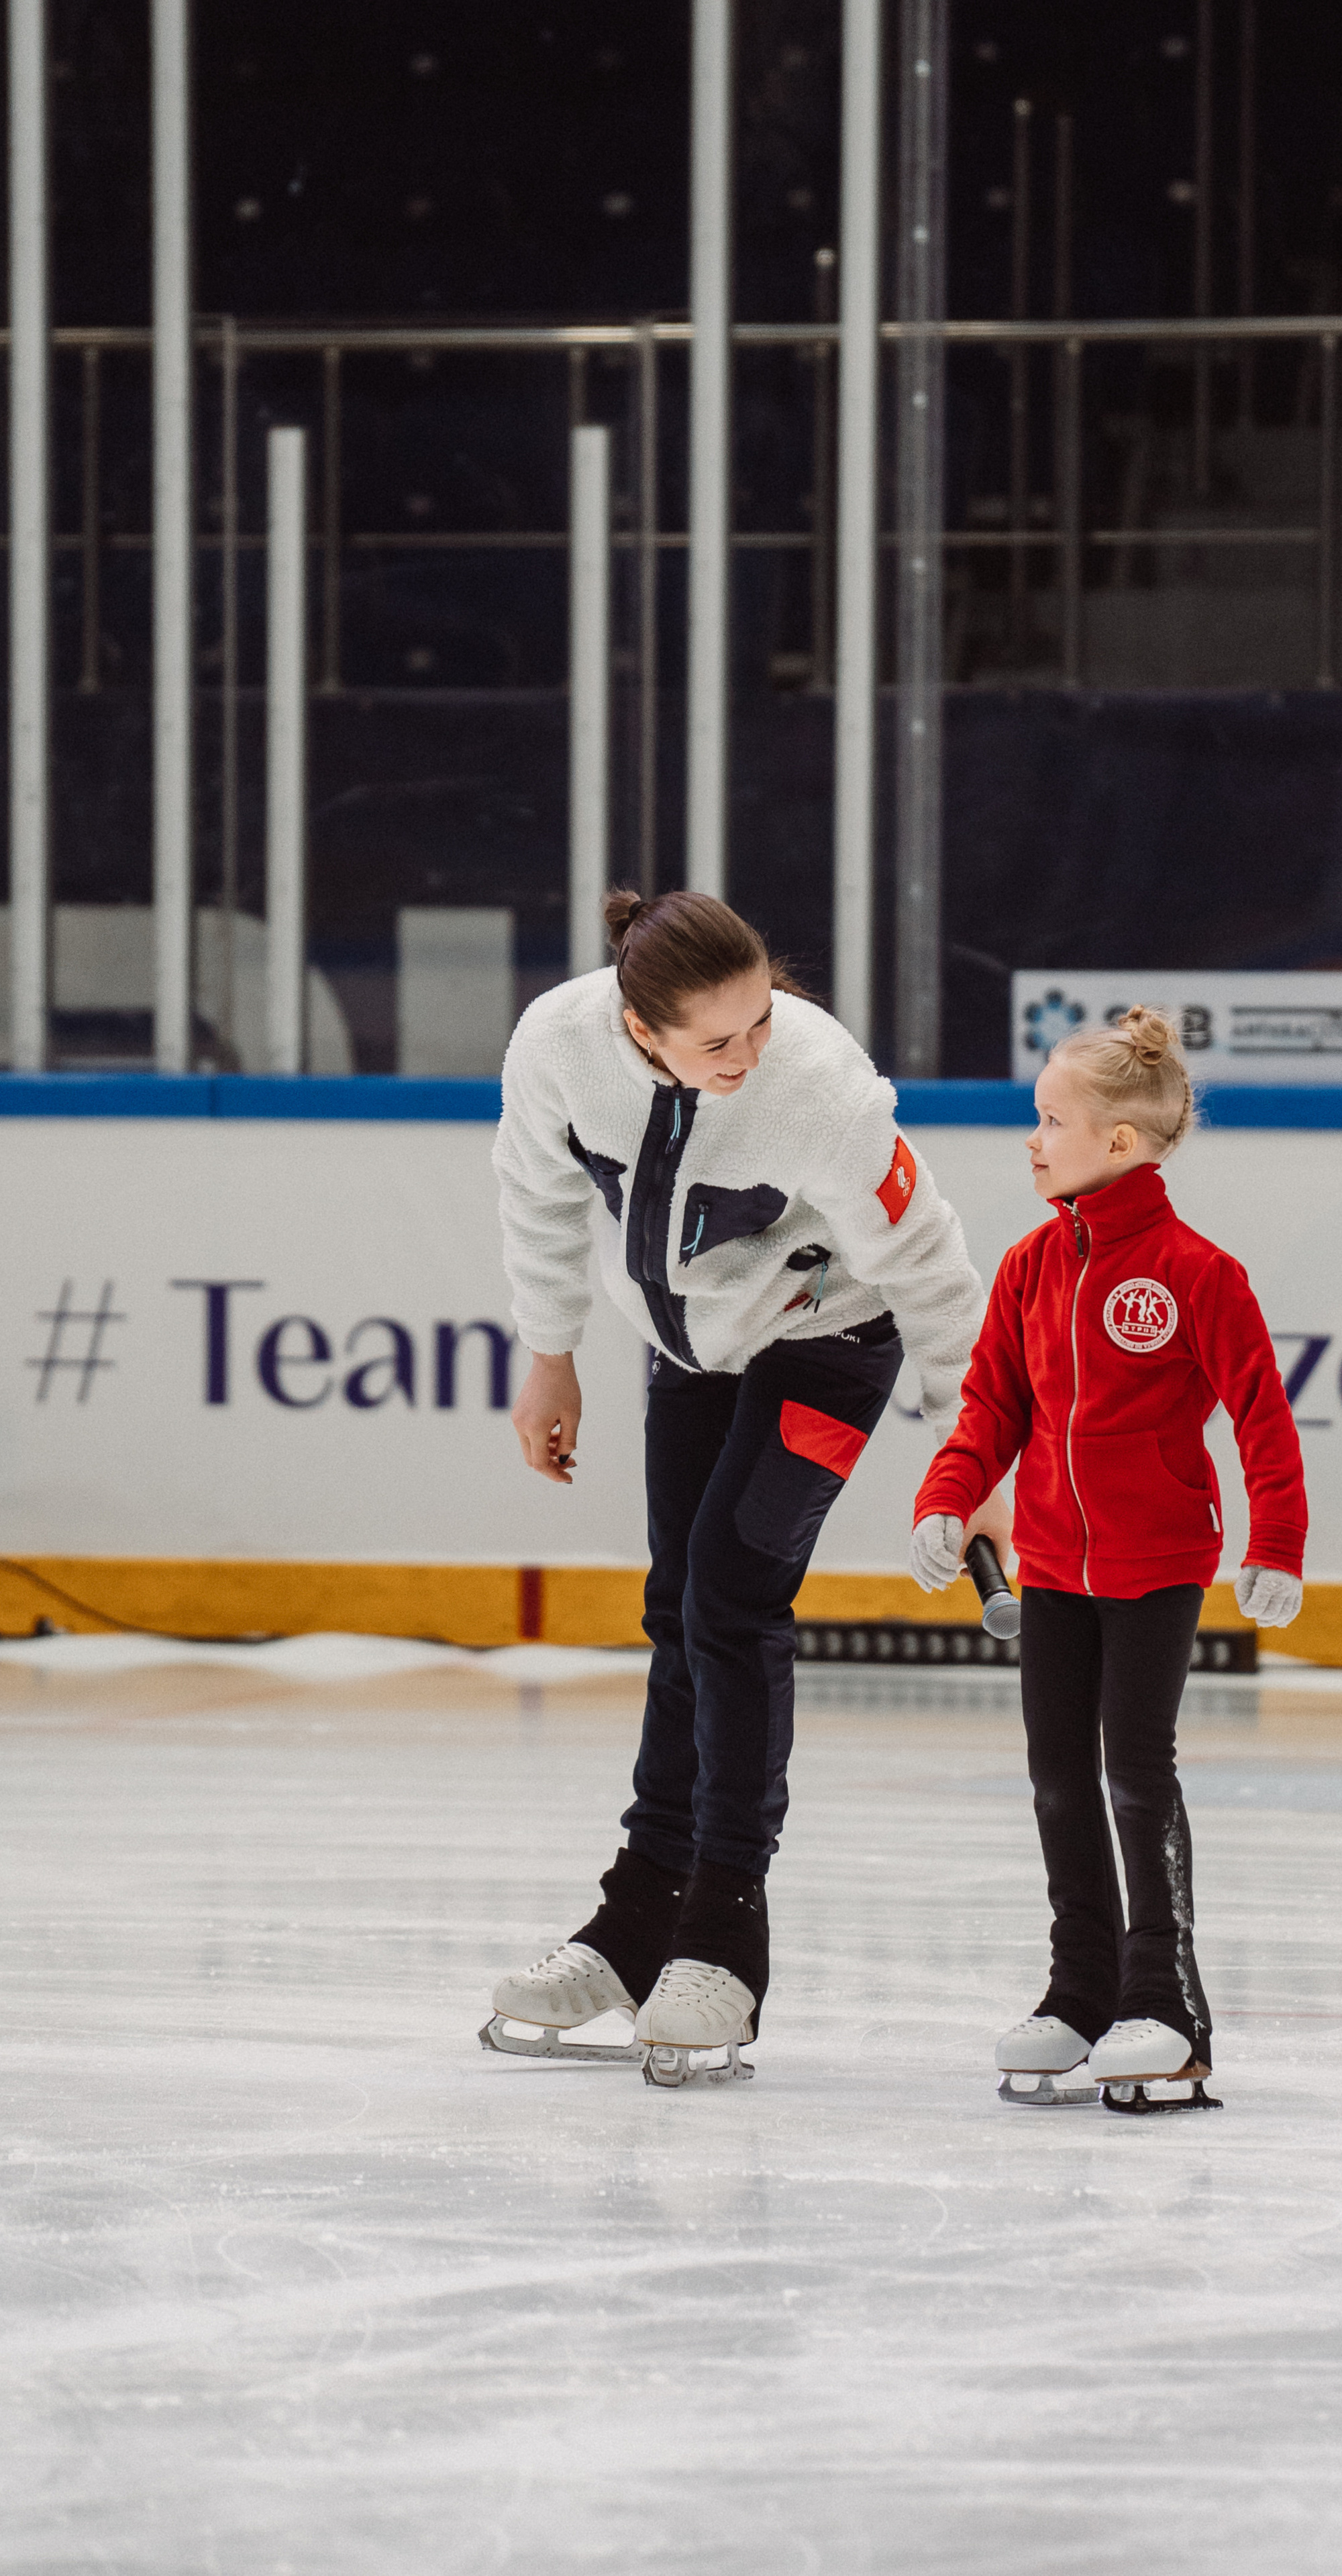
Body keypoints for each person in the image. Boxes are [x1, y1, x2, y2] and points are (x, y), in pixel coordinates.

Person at [486, 889, 985, 2086]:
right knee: (678, 1613)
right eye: (720, 1041)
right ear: (638, 1028)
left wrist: (976, 1450)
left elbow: (927, 1260)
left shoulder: (819, 1083)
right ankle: (636, 1921)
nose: (753, 1052)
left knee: (731, 1603)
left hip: (833, 1340)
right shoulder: (559, 1046)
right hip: (694, 1348)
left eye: (763, 1018)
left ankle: (721, 1939)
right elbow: (540, 1201)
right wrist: (549, 1353)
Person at [908, 1008, 1306, 2106]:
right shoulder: (1033, 1267)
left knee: (1135, 1771)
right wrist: (948, 1498)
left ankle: (1165, 2005)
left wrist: (1275, 1539)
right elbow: (990, 1405)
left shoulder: (1198, 1273)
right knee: (1054, 1777)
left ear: (1121, 1143)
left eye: (1050, 1121)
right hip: (1053, 1567)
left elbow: (1261, 1419)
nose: (1031, 1140)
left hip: (1158, 1564)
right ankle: (1079, 1991)